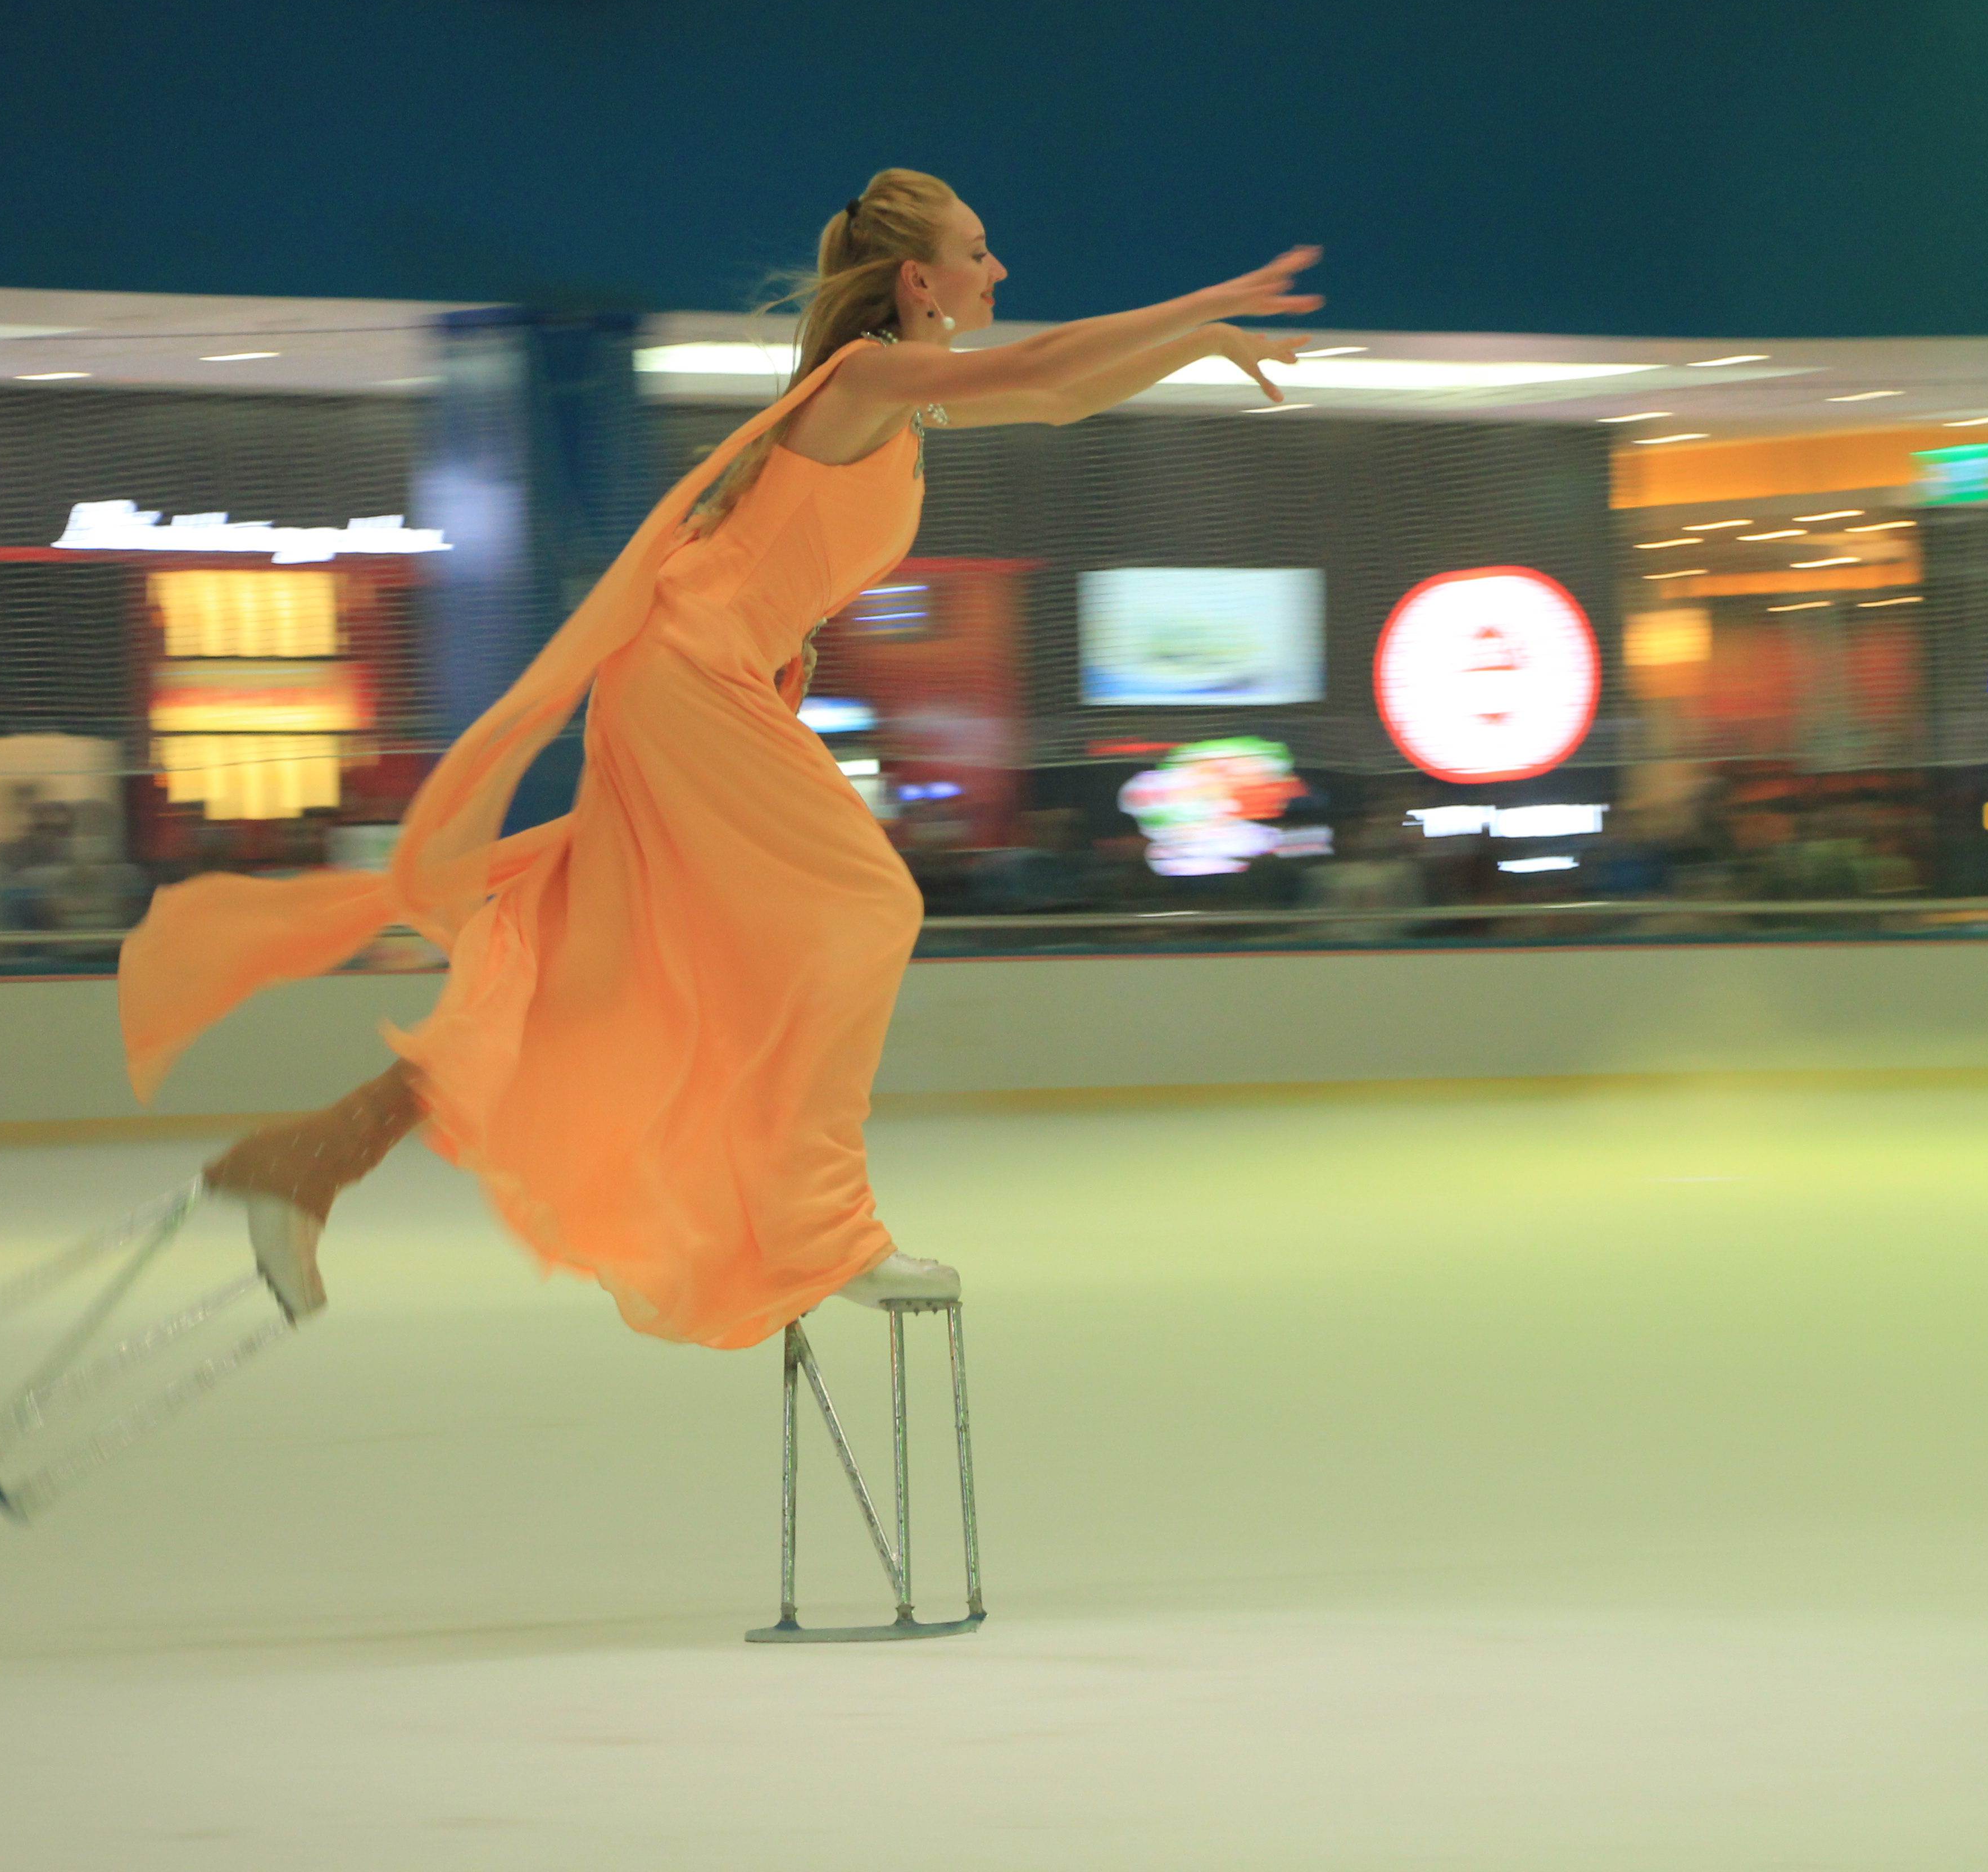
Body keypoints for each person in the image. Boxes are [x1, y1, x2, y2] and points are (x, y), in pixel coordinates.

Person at [119, 169, 1322, 1347]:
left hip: (696, 687)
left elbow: (1059, 399)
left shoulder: (902, 404)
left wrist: (1209, 346)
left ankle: (302, 1168)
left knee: (595, 978)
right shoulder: (868, 378)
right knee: (866, 906)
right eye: (978, 248)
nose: (998, 268)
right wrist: (1207, 309)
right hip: (695, 685)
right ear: (920, 279)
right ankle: (820, 1230)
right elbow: (1052, 368)